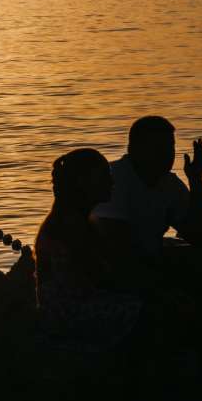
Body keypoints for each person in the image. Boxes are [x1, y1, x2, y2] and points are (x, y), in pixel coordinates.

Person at [33, 148, 143, 352]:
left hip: (68, 309)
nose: (111, 182)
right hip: (70, 315)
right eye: (104, 176)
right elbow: (99, 278)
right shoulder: (71, 225)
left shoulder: (75, 220)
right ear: (83, 182)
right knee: (152, 310)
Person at [90, 115, 202, 293]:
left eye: (170, 148)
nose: (167, 155)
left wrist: (196, 181)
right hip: (110, 271)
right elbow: (116, 247)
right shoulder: (114, 180)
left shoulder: (169, 184)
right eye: (158, 148)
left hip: (149, 261)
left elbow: (199, 236)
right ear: (134, 149)